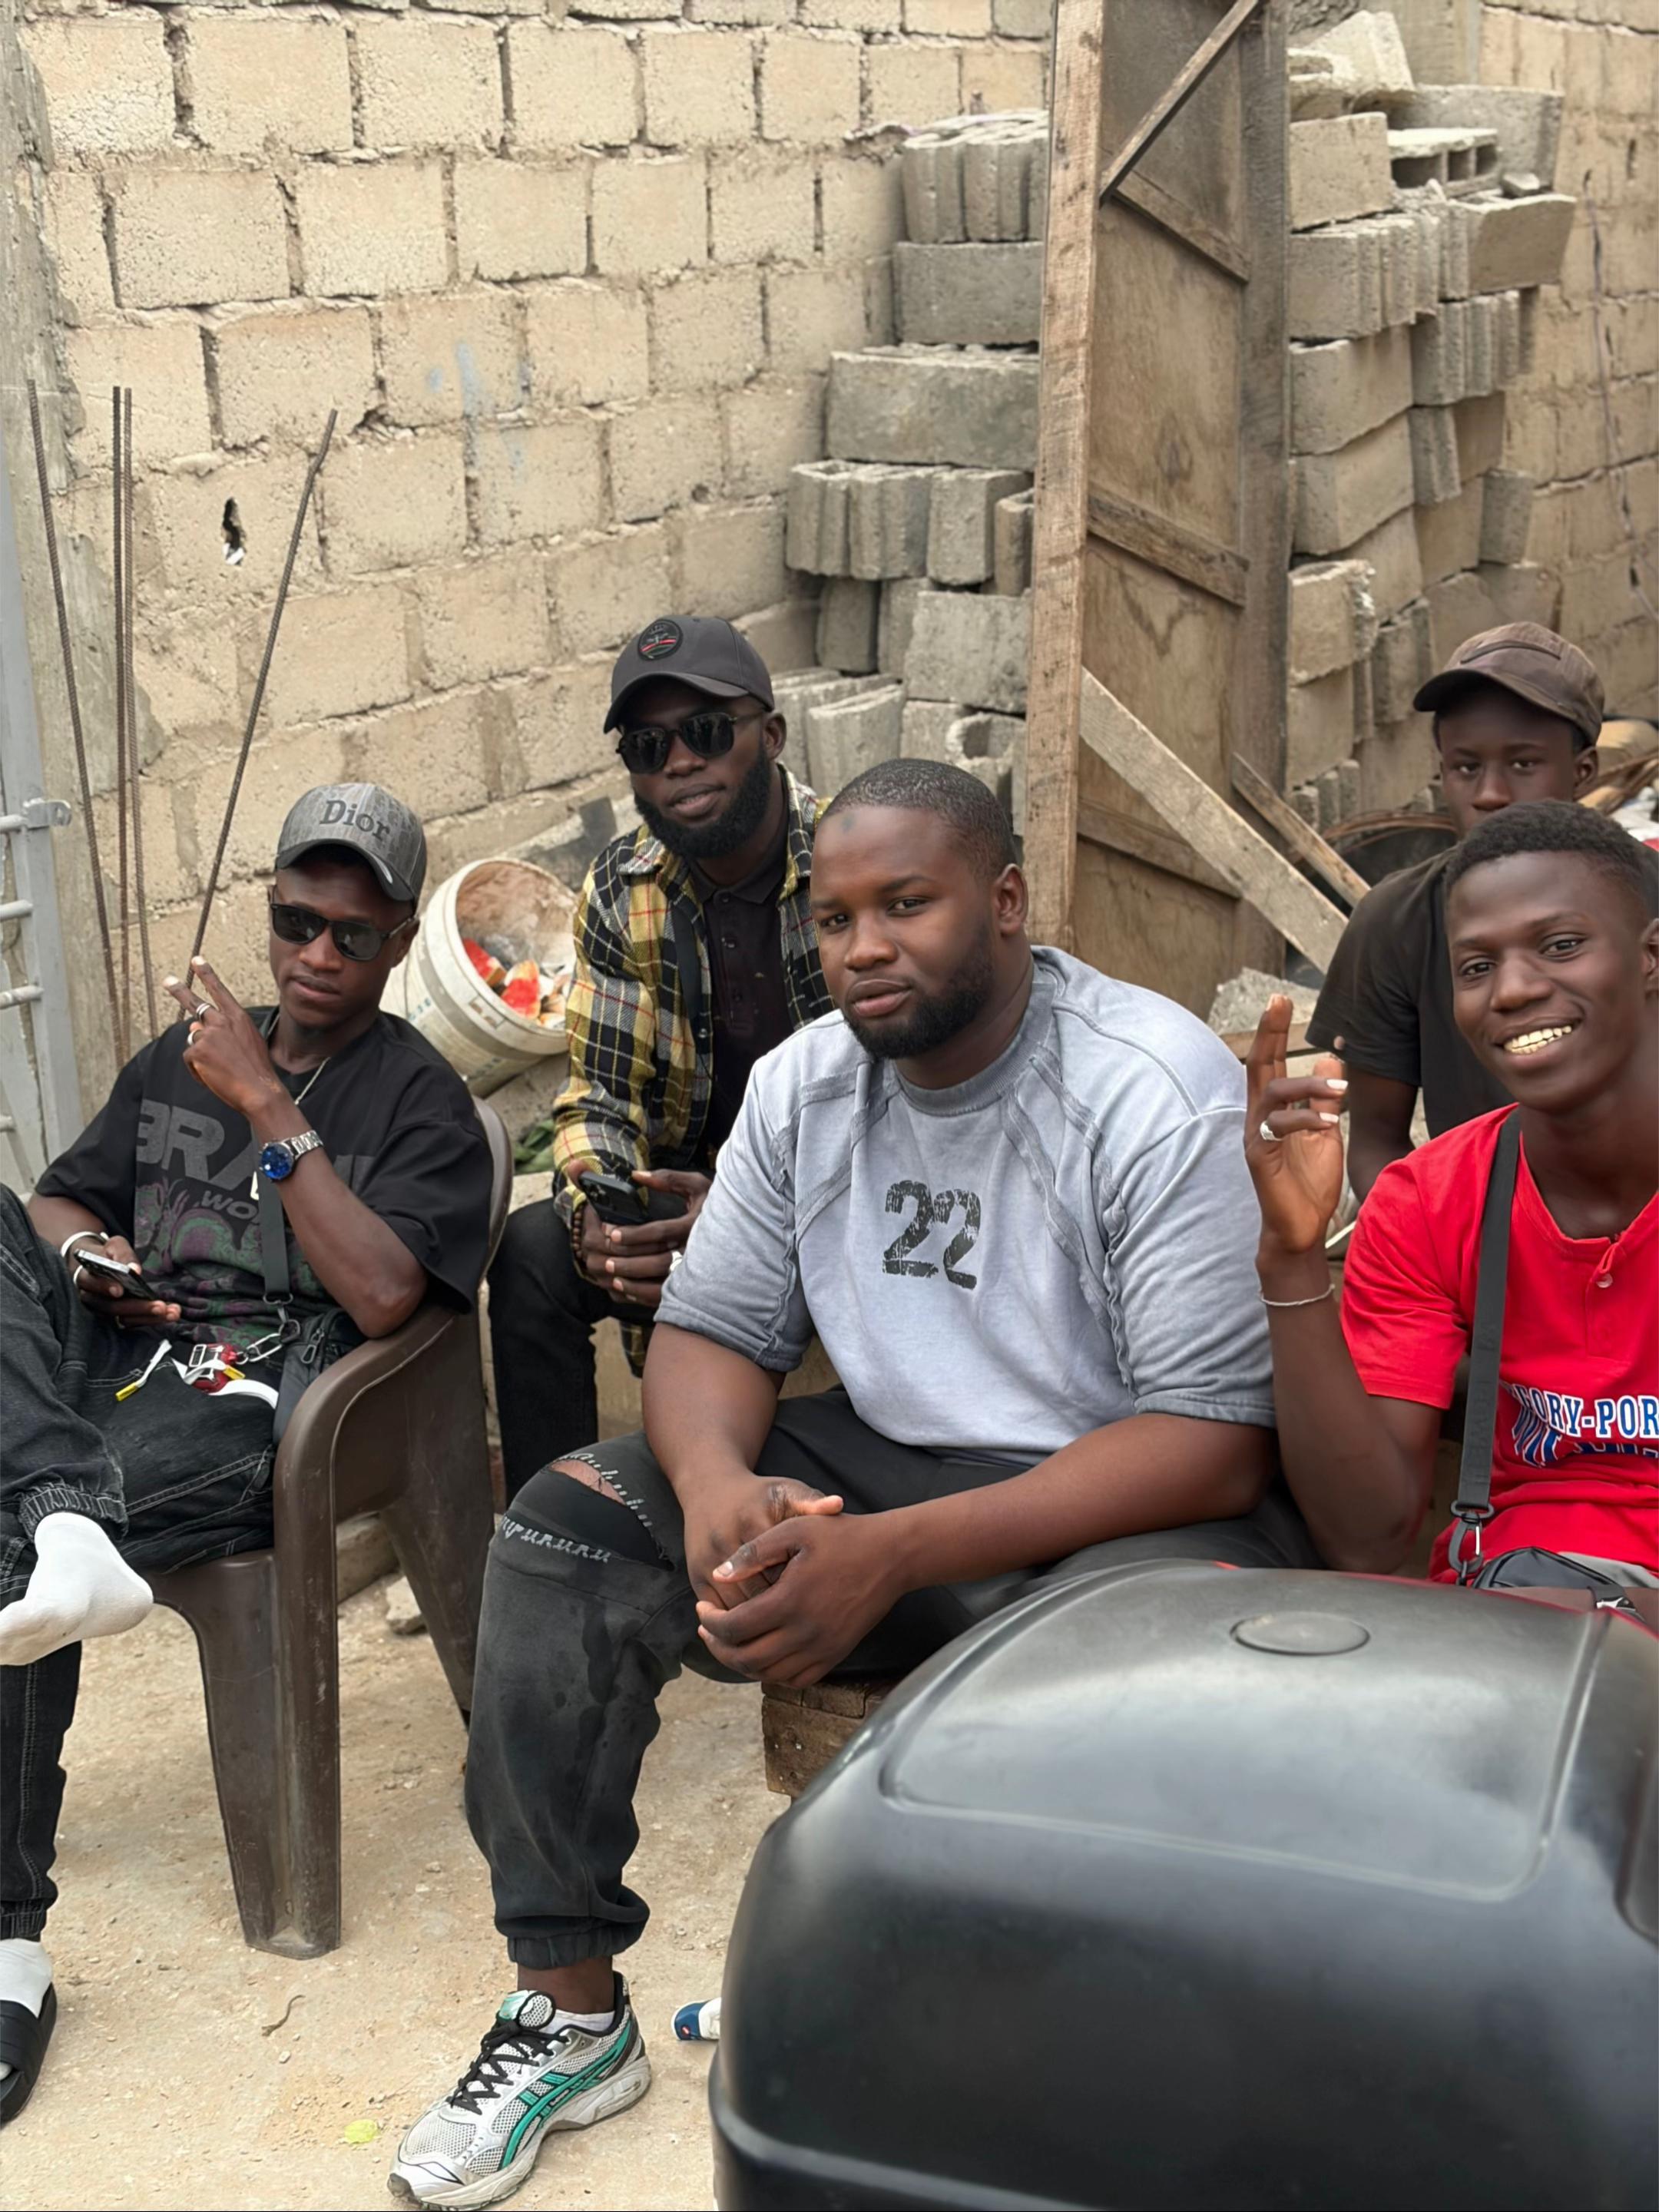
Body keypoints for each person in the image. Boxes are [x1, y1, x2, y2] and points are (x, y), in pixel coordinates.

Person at [390, 758, 1320, 2210]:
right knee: (566, 1531)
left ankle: (984, 2028)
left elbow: (1214, 1434)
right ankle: (568, 2013)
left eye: (907, 905)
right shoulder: (804, 1086)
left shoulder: (1145, 1085)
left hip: (1126, 1499)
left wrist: (892, 1554)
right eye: (835, 920)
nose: (865, 948)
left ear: (1005, 902)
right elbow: (710, 1333)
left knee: (1125, 1674)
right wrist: (714, 1487)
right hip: (891, 1468)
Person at [0, 784, 494, 2124]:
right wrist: (88, 1256)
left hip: (260, 1388)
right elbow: (59, 1194)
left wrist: (270, 1105)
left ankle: (6, 1942)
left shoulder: (421, 1101)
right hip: (118, 1359)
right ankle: (57, 1507)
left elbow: (387, 1300)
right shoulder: (174, 1061)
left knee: (13, 1539)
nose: (315, 956)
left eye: (351, 934)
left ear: (397, 944)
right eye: (295, 923)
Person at [1248, 800, 1657, 1584]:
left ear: (1651, 956)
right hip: (1525, 1597)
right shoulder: (1429, 1203)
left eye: (1560, 945)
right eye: (1476, 967)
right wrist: (1293, 1261)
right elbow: (1368, 1541)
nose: (1512, 991)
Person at [487, 616, 833, 1499]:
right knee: (534, 1252)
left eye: (707, 732)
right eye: (648, 746)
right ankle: (553, 1529)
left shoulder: (846, 860)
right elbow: (600, 1094)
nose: (679, 762)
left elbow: (898, 1104)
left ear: (771, 735)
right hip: (683, 1202)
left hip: (836, 1198)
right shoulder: (622, 885)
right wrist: (599, 1218)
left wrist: (749, 1211)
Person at [1306, 623, 1603, 1199]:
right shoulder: (1398, 922)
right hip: (1479, 1234)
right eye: (1466, 768)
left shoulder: (1643, 901)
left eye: (1523, 764)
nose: (1490, 794)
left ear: (1583, 772)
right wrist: (1425, 1237)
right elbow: (1377, 1141)